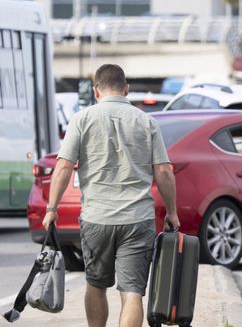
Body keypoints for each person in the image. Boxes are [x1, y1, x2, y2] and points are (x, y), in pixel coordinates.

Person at [42, 64, 178, 327]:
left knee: (95, 284)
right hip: (137, 219)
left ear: (96, 91)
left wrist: (52, 208)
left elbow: (64, 166)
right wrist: (172, 212)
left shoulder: (81, 119)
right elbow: (163, 171)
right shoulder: (147, 122)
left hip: (97, 218)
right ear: (126, 89)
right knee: (132, 292)